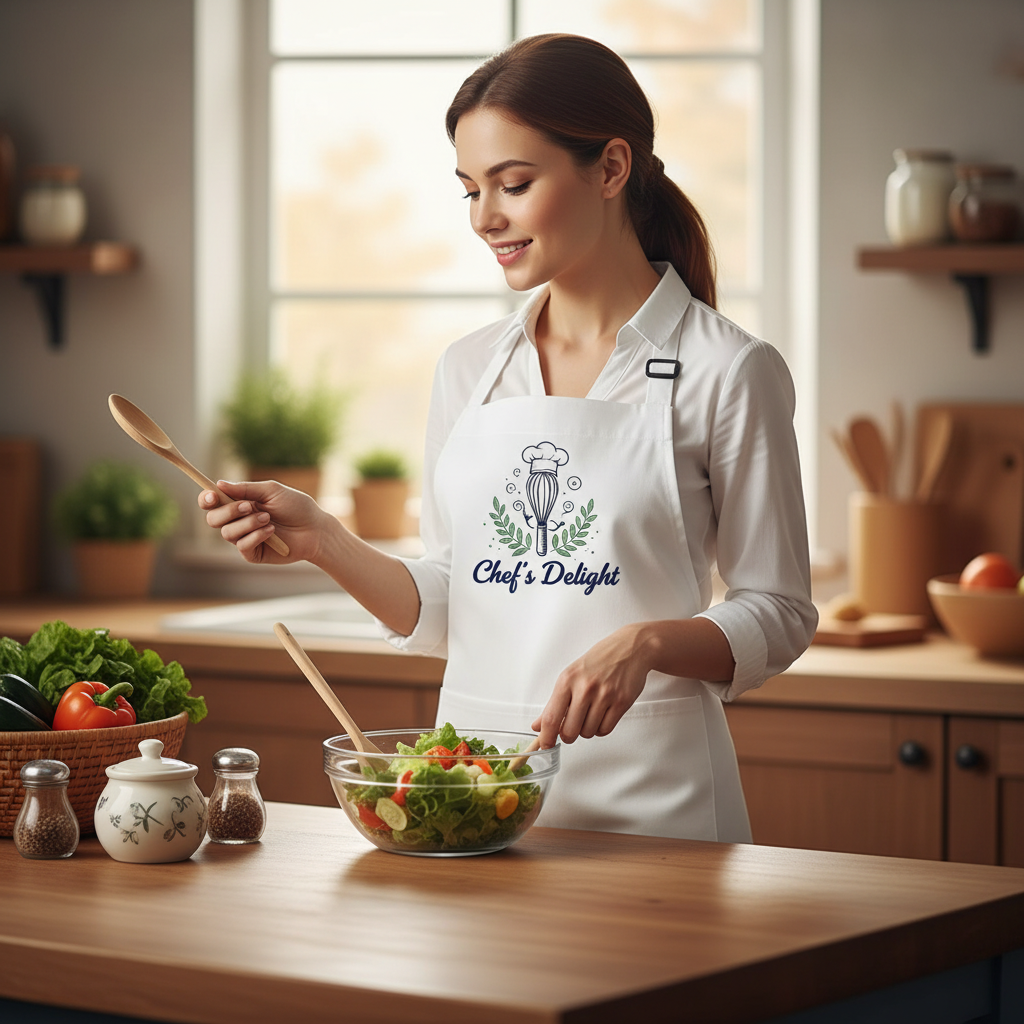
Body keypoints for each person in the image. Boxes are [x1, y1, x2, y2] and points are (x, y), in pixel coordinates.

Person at [201, 34, 817, 843]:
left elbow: (780, 610)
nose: (485, 218)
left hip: (655, 808)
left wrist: (648, 643)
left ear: (610, 169)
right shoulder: (471, 369)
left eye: (514, 184)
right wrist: (323, 539)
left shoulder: (728, 370)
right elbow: (456, 602)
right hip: (476, 798)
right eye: (469, 190)